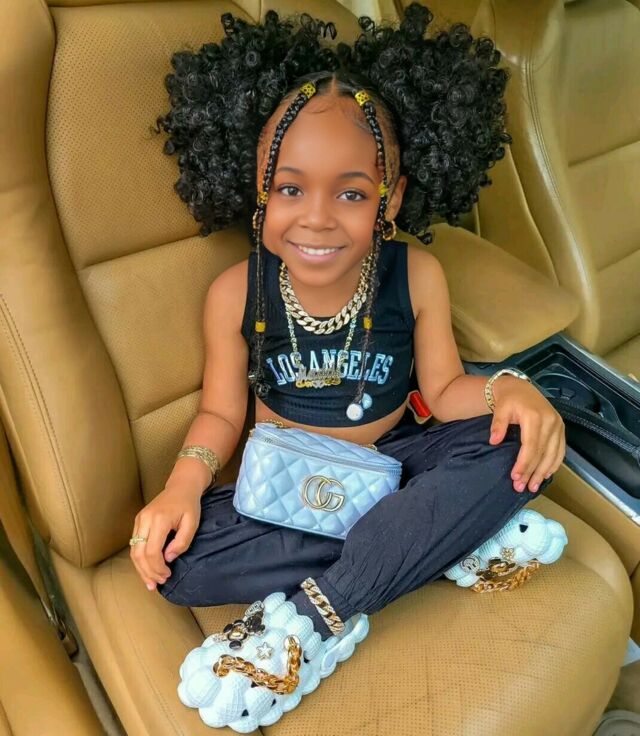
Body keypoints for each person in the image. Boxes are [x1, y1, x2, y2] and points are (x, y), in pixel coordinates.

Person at [130, 4, 566, 729]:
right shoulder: (236, 292)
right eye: (290, 188)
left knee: (524, 444)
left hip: (396, 464)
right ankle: (437, 539)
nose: (318, 217)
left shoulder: (415, 275)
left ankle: (311, 623)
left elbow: (445, 391)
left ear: (391, 201)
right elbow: (220, 413)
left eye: (353, 193)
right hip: (283, 493)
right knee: (178, 565)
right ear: (259, 190)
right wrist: (181, 487)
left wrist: (509, 389)